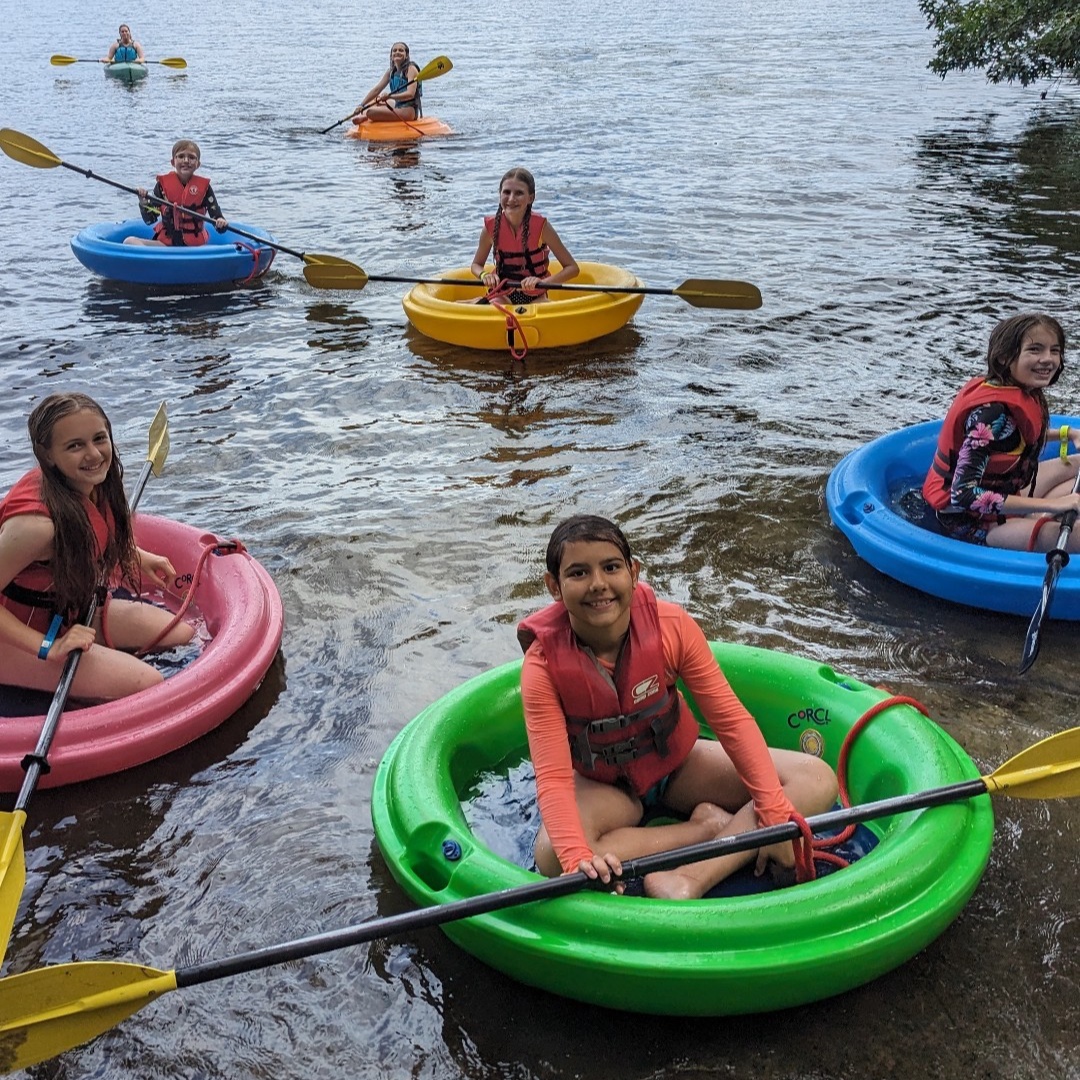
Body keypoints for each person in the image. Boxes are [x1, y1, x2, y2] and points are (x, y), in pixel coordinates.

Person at [517, 515, 838, 900]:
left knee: (816, 778)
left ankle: (690, 877)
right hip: (603, 786)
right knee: (552, 856)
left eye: (611, 567)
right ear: (554, 586)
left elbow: (731, 721)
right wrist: (575, 859)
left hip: (678, 765)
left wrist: (771, 809)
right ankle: (704, 829)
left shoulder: (671, 627)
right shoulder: (542, 667)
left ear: (633, 573)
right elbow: (552, 776)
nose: (598, 584)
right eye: (578, 573)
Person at [0, 393, 194, 701]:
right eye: (75, 445)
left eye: (99, 438)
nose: (93, 454)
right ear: (46, 454)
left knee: (182, 635)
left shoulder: (88, 483)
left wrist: (135, 556)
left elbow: (90, 538)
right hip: (17, 639)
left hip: (63, 612)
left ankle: (98, 667)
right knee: (149, 682)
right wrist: (47, 647)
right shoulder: (36, 527)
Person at [922, 313, 1080, 549]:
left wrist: (1069, 434)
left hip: (1006, 496)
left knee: (1076, 463)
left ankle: (1042, 517)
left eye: (1054, 350)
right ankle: (1044, 518)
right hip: (973, 523)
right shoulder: (989, 412)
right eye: (1035, 350)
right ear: (1005, 357)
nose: (1047, 359)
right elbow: (963, 495)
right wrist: (1050, 506)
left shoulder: (1021, 389)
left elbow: (1011, 440)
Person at [467, 168, 580, 305]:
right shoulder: (490, 228)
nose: (511, 199)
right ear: (500, 194)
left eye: (519, 193)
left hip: (536, 294)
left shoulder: (542, 228)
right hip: (502, 292)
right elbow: (476, 265)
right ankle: (475, 303)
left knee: (542, 307)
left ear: (530, 198)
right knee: (495, 305)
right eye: (506, 192)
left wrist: (542, 282)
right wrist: (485, 275)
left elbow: (572, 268)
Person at [124, 140, 228, 247]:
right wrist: (144, 202)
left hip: (195, 248)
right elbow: (150, 220)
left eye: (192, 157)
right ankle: (151, 260)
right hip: (166, 245)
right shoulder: (161, 187)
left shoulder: (205, 188)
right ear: (173, 162)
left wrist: (220, 222)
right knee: (129, 241)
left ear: (198, 164)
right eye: (181, 156)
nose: (186, 160)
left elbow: (218, 222)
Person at [352, 42, 422, 125]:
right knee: (376, 100)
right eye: (394, 50)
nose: (397, 52)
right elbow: (377, 89)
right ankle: (366, 114)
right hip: (397, 104)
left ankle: (366, 116)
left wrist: (389, 96)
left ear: (406, 55)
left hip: (409, 110)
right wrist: (362, 105)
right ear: (391, 56)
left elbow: (410, 94)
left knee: (370, 112)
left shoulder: (411, 69)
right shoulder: (391, 71)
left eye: (401, 50)